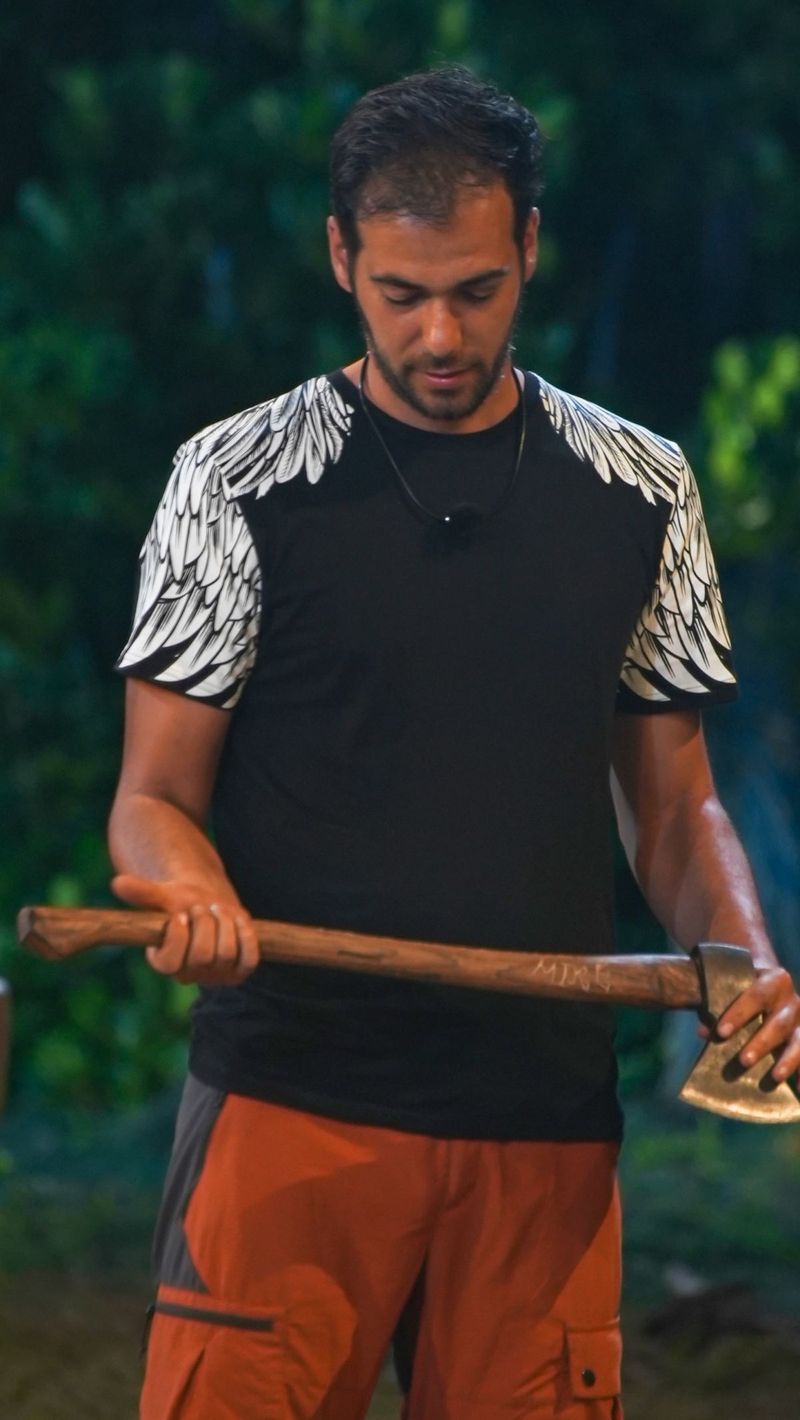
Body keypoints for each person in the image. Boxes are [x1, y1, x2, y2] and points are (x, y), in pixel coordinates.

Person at [109, 65, 800, 1420]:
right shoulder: (235, 479)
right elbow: (153, 797)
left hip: (541, 1124)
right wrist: (186, 887)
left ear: (530, 246)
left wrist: (747, 960)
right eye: (401, 294)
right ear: (341, 257)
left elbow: (674, 807)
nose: (440, 333)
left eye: (477, 291)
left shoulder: (640, 486)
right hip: (294, 1106)